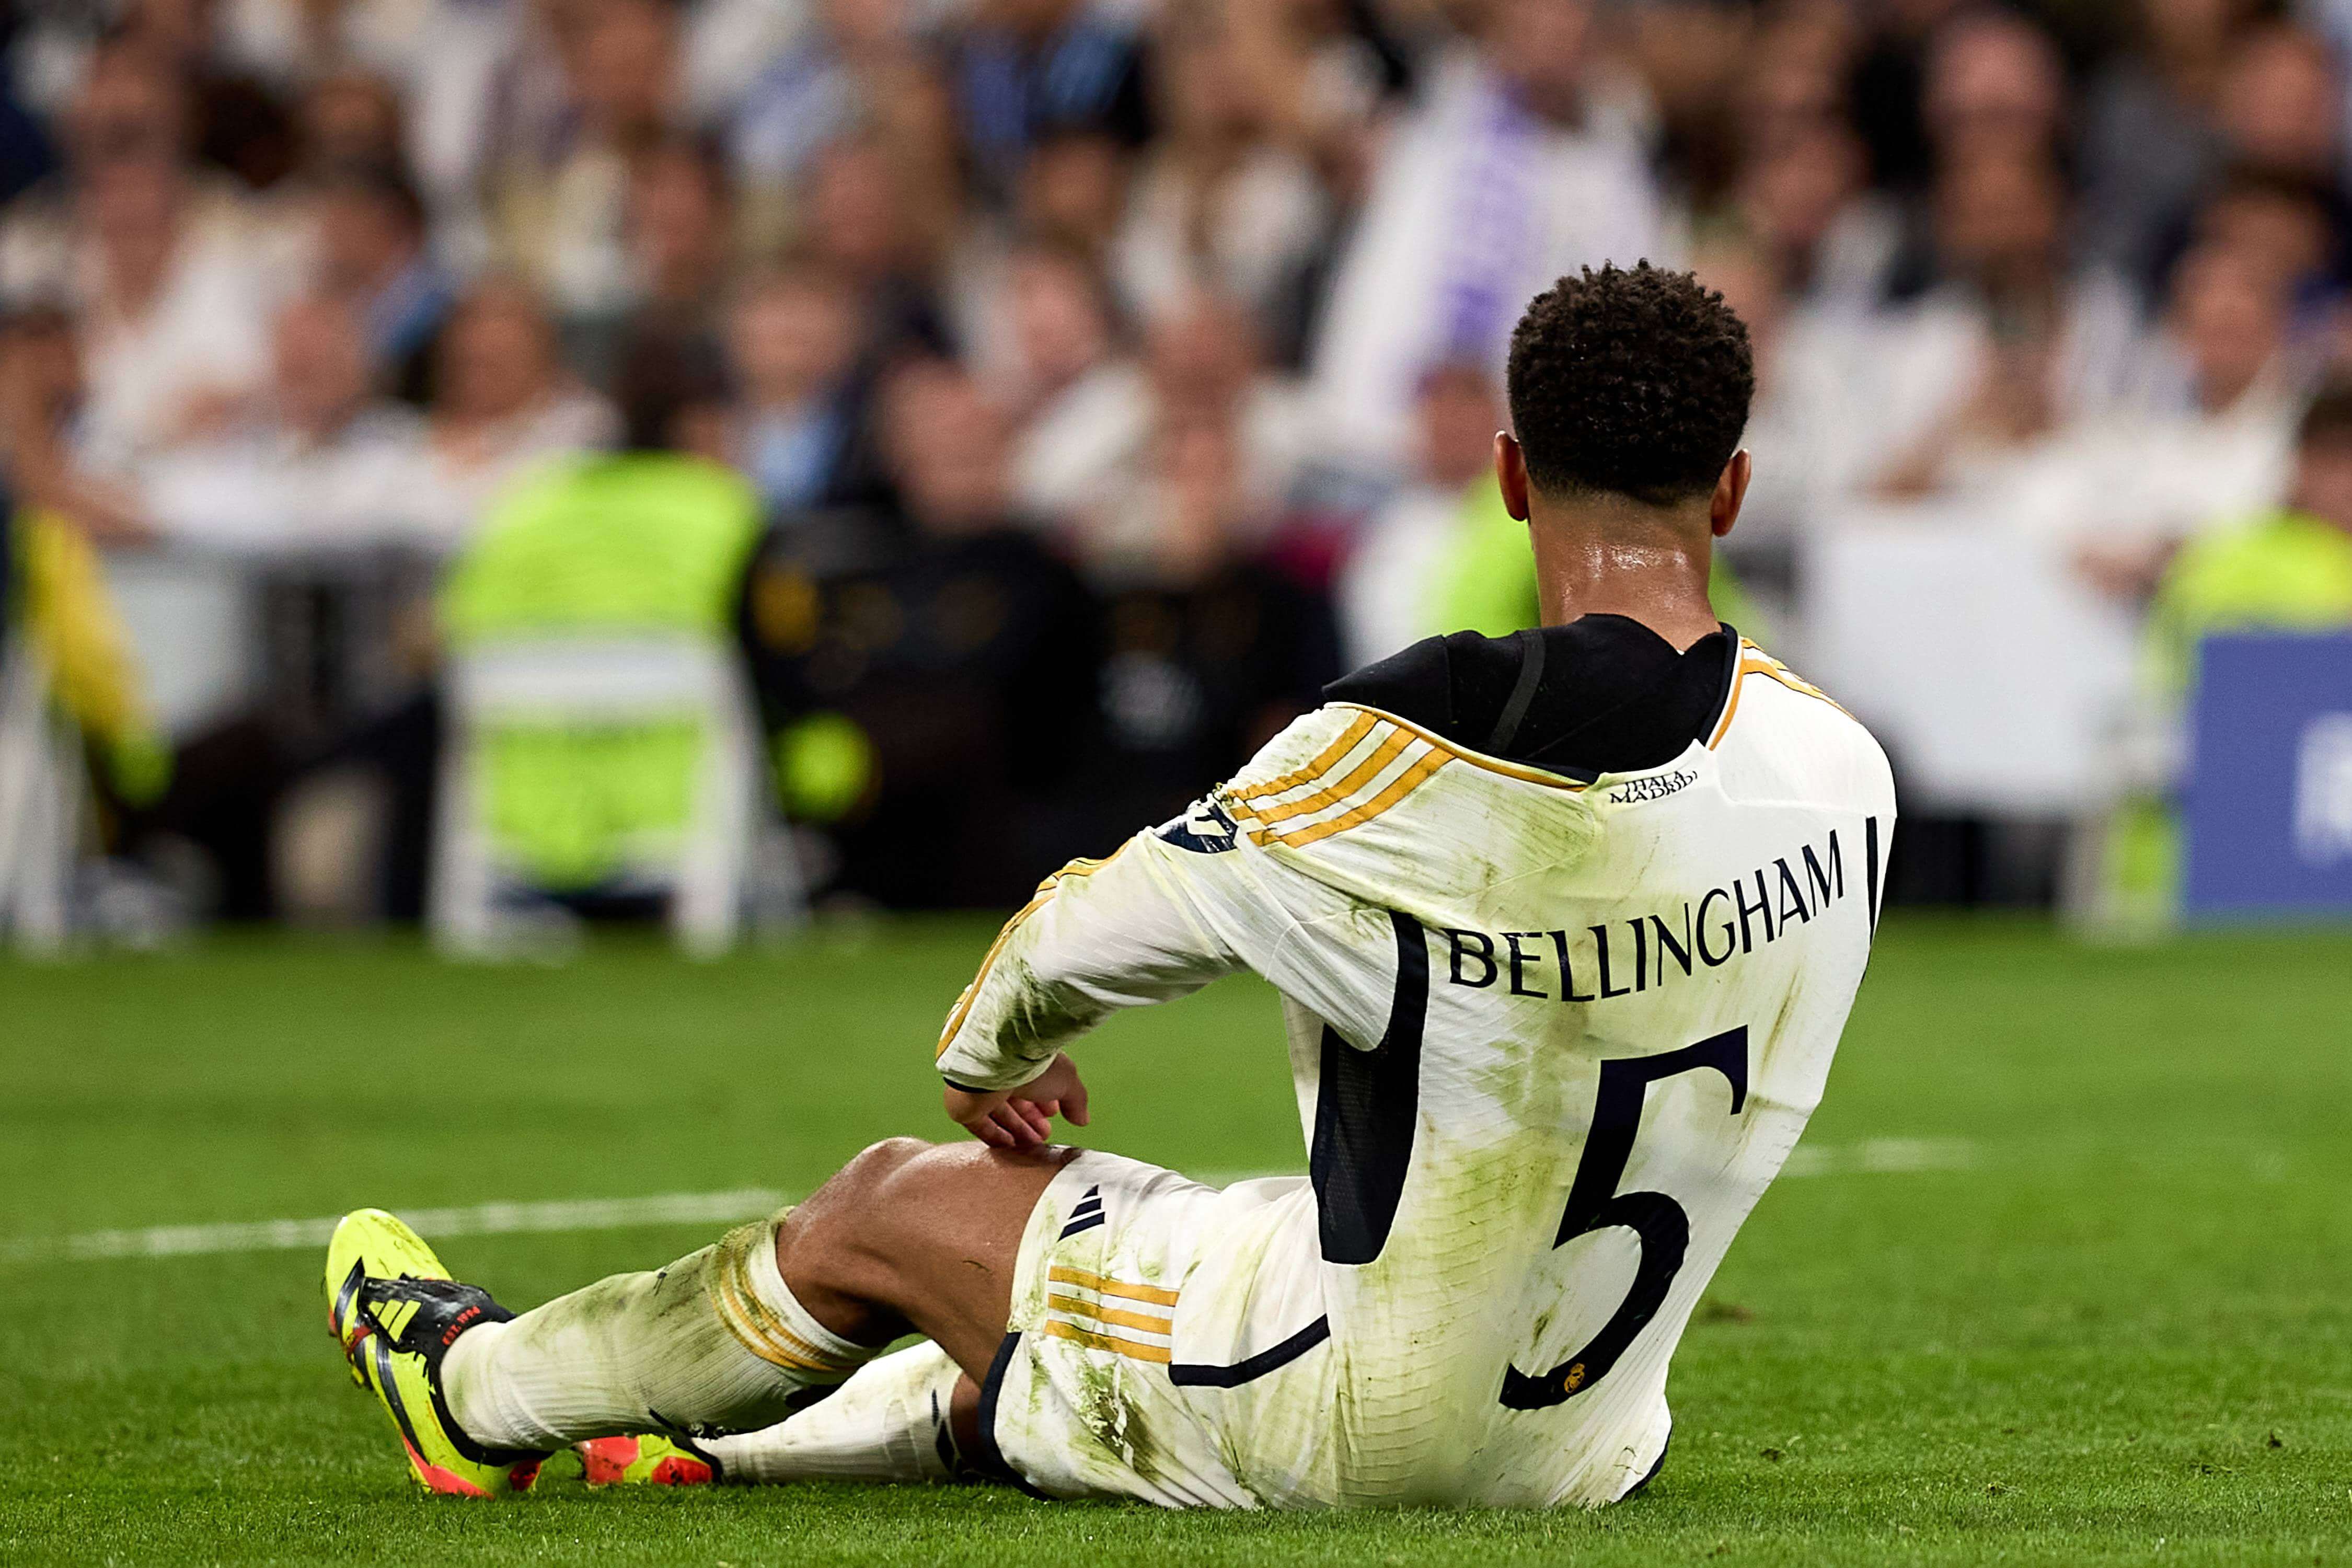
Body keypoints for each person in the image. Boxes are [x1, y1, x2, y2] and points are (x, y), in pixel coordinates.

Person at [323, 262, 1895, 1508]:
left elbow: (1089, 928)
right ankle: (744, 1451)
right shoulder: (1840, 772)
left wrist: (983, 1061)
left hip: (1358, 1431)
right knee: (1202, 1245)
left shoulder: (1416, 746)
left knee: (897, 1207)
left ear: (1503, 475)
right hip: (1595, 1441)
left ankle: (474, 1396)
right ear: (1734, 489)